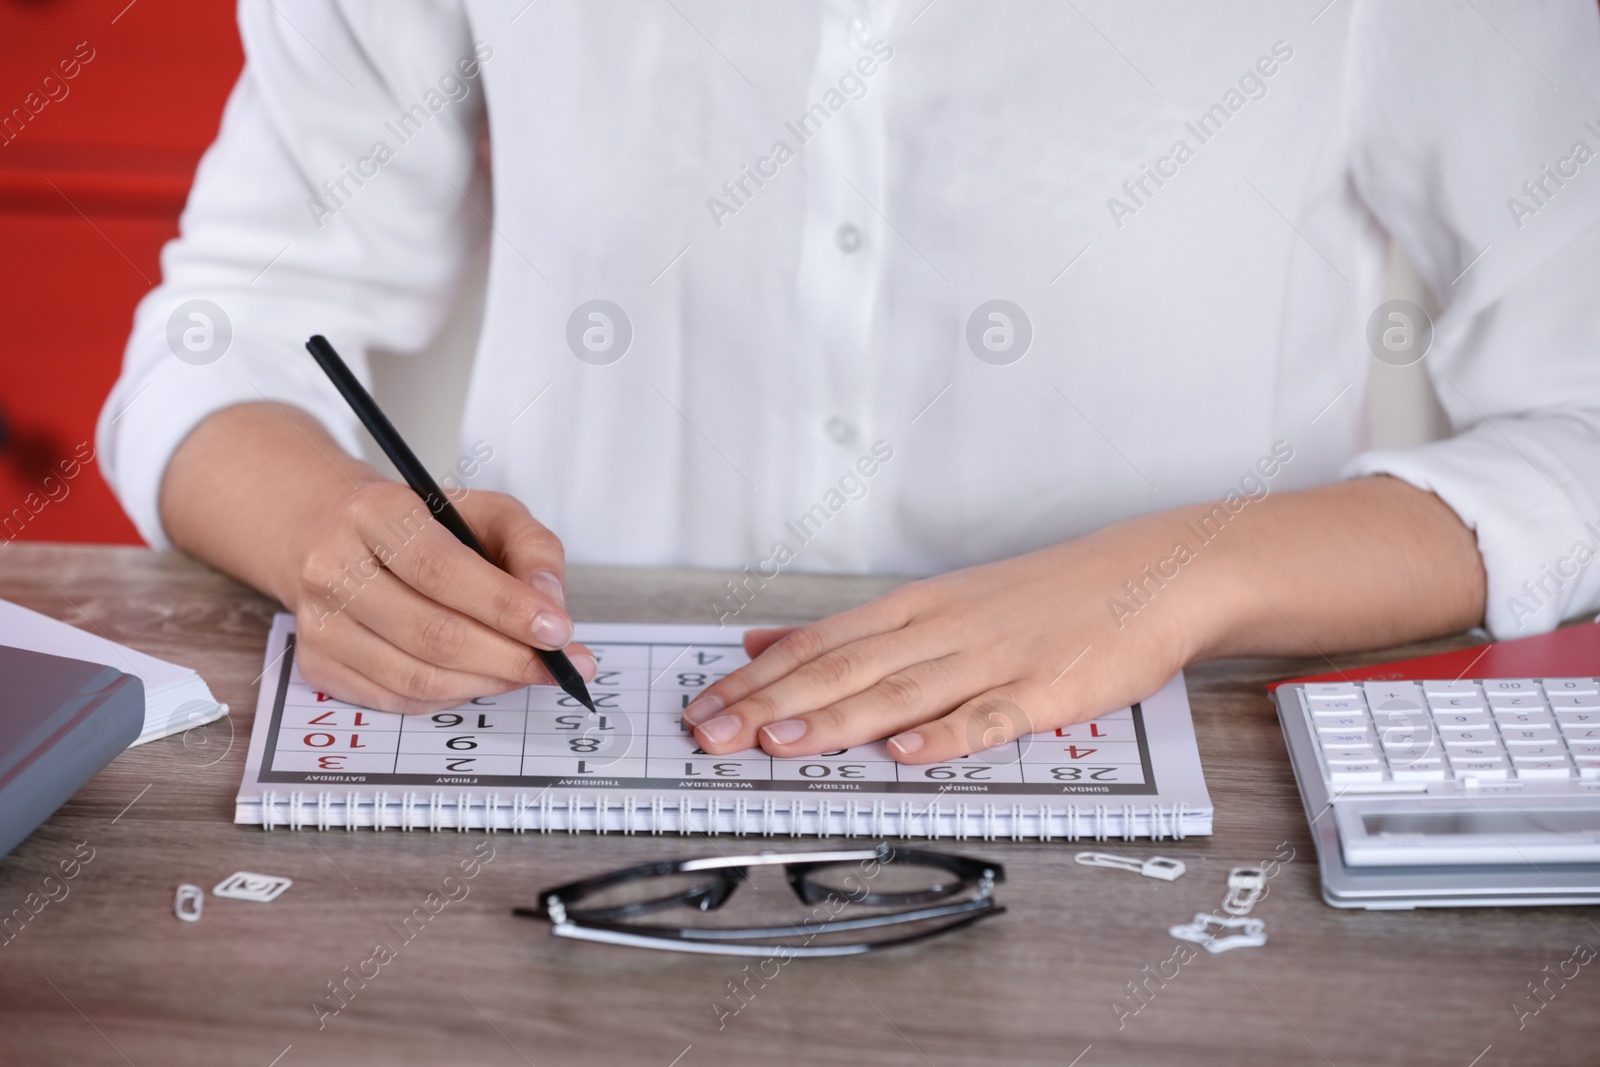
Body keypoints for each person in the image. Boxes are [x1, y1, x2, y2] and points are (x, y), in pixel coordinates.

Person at [99, 2, 1600, 765]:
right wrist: (328, 536)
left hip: (1181, 823)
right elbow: (231, 321)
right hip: (567, 779)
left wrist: (1175, 581)